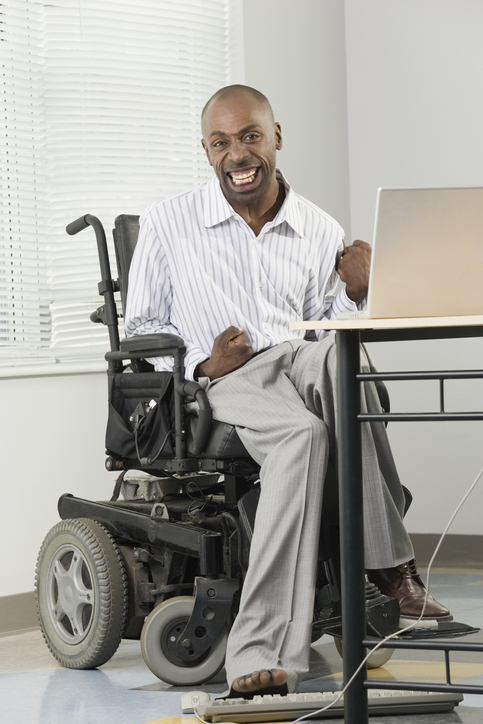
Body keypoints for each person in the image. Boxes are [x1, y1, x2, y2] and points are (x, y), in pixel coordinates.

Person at [125, 84, 450, 697]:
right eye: (221, 143)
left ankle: (387, 565)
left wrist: (359, 292)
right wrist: (204, 361)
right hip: (230, 377)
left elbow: (331, 326)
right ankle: (262, 648)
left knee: (342, 362)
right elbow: (143, 326)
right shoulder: (170, 222)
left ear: (277, 137)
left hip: (299, 357)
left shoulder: (319, 227)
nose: (237, 154)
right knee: (303, 435)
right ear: (207, 151)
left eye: (250, 136)